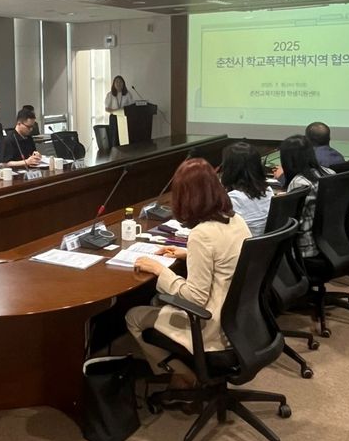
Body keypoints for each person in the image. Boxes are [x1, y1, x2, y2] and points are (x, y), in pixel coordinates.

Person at [125, 159, 251, 387]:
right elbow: (224, 258)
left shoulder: (202, 234)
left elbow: (195, 298)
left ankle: (184, 376)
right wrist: (187, 254)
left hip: (211, 328)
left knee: (133, 316)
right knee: (158, 303)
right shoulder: (236, 220)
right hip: (239, 323)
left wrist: (160, 270)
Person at [280, 135, 334, 258]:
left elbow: (293, 222)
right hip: (327, 242)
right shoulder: (329, 173)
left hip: (304, 247)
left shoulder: (300, 183)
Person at [220, 142, 274, 236]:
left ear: (229, 169)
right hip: (264, 242)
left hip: (242, 243)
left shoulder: (234, 199)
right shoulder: (268, 190)